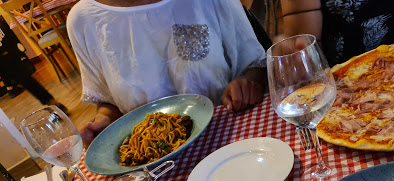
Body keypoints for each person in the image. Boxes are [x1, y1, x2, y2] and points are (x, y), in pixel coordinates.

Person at [67, 0, 268, 145]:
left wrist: (248, 83)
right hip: (156, 163)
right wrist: (104, 121)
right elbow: (108, 102)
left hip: (233, 137)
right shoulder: (83, 20)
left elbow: (257, 65)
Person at [0, 16, 68, 113]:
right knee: (24, 79)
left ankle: (51, 103)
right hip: (5, 55)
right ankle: (51, 103)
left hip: (6, 54)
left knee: (24, 79)